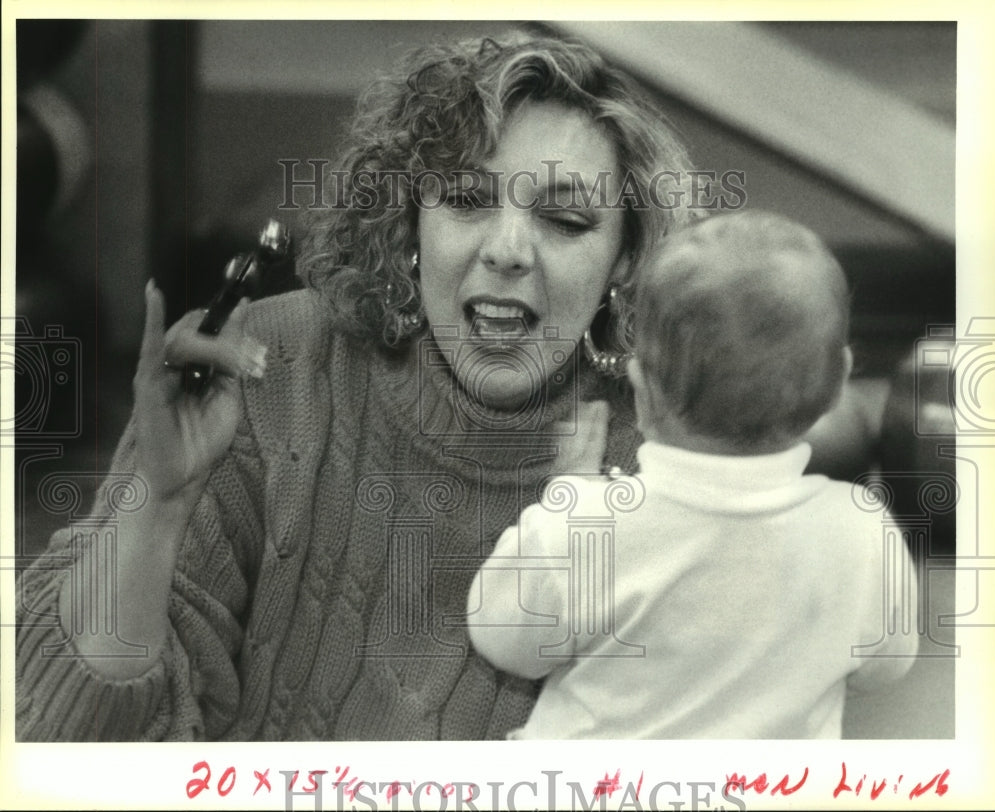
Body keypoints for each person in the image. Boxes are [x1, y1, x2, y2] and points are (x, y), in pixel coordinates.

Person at [15, 34, 697, 741]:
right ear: (409, 221)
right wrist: (158, 504)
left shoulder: (669, 462)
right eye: (466, 199)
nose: (507, 250)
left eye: (564, 220)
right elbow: (64, 738)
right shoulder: (264, 367)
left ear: (625, 260)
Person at [466, 211, 920, 739]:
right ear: (839, 382)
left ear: (642, 390)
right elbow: (886, 663)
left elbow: (502, 639)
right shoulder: (862, 529)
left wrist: (569, 488)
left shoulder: (585, 526)